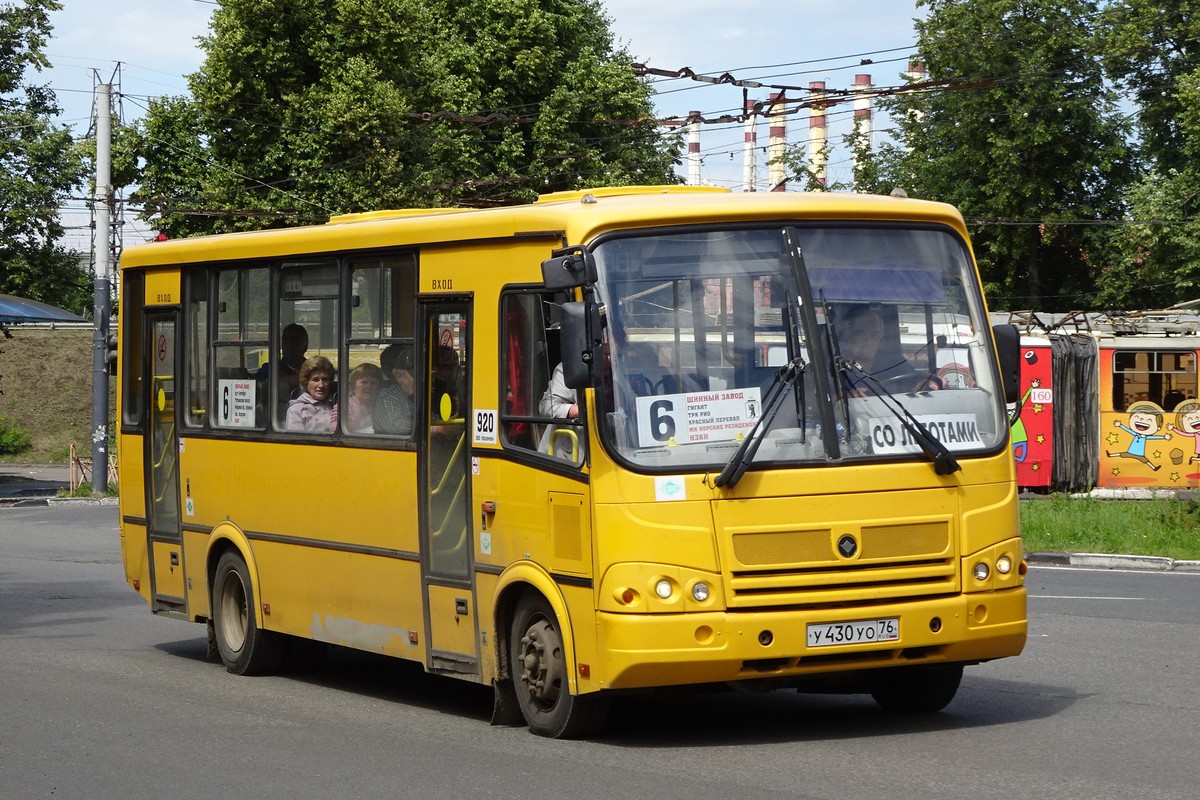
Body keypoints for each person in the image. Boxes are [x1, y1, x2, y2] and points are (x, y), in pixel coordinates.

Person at [837, 304, 940, 395]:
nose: (868, 341)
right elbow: (825, 399)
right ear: (848, 336)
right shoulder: (837, 365)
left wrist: (926, 384)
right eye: (860, 334)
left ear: (880, 338)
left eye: (874, 335)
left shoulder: (892, 361)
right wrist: (845, 396)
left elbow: (914, 380)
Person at [539, 362, 582, 460]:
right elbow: (547, 406)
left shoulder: (620, 365)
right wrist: (574, 410)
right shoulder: (570, 368)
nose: (609, 359)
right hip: (566, 458)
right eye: (606, 354)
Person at [286, 356, 337, 432]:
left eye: (325, 379)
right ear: (306, 382)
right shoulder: (296, 411)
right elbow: (296, 441)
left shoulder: (335, 406)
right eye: (315, 380)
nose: (321, 385)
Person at [374, 344, 415, 436]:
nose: (420, 380)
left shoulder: (421, 395)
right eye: (414, 376)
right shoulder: (386, 396)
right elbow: (395, 426)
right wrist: (433, 428)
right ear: (399, 376)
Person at [345, 362, 383, 433]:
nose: (369, 386)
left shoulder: (382, 404)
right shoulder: (345, 405)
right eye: (364, 382)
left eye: (374, 383)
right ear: (353, 386)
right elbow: (335, 427)